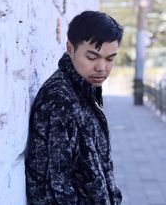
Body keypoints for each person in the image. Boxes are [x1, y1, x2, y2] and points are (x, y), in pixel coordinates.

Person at [25, 11, 123, 205]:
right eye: (92, 57)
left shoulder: (83, 89)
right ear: (70, 49)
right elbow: (56, 189)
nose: (102, 68)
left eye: (110, 59)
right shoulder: (59, 101)